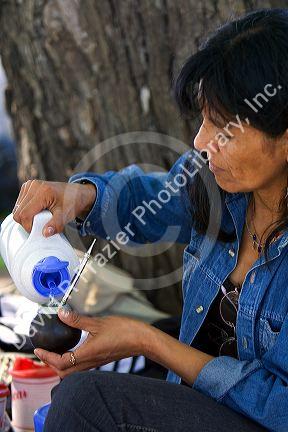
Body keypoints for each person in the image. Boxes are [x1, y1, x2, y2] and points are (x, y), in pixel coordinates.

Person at [12, 8, 288, 432]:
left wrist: (147, 342)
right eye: (202, 119)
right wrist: (79, 197)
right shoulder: (220, 188)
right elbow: (151, 200)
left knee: (86, 401)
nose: (200, 141)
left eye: (223, 129)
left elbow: (279, 407)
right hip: (202, 406)